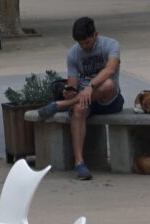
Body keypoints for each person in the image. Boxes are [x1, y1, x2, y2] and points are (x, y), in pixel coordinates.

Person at [40, 16, 122, 180]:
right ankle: (80, 163)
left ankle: (61, 105)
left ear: (95, 35)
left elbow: (111, 70)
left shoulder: (111, 45)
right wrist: (70, 91)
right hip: (83, 99)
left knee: (108, 84)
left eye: (87, 42)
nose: (84, 46)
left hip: (108, 98)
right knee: (78, 109)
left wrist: (90, 87)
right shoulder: (73, 53)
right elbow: (73, 83)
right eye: (80, 43)